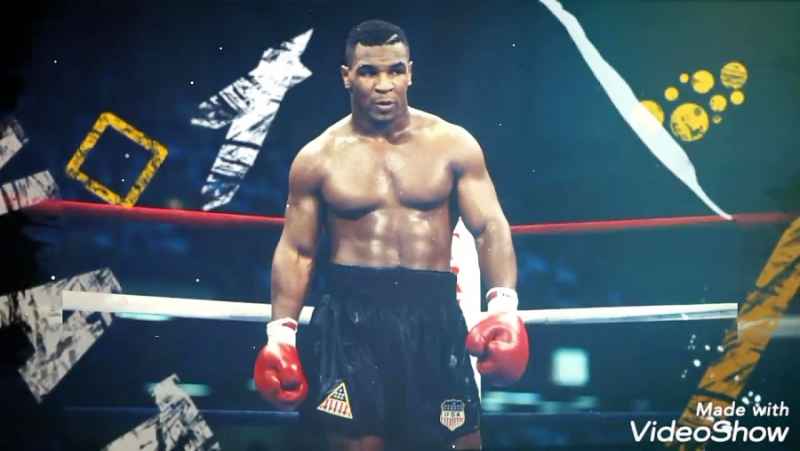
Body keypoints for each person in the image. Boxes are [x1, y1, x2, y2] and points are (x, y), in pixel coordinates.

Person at [253, 19, 529, 451]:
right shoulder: (318, 158)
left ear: (410, 73)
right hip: (351, 321)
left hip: (434, 315)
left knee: (459, 444)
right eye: (369, 72)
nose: (384, 85)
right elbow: (297, 251)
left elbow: (489, 226)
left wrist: (504, 309)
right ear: (347, 76)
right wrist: (280, 337)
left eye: (395, 70)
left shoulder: (453, 145)